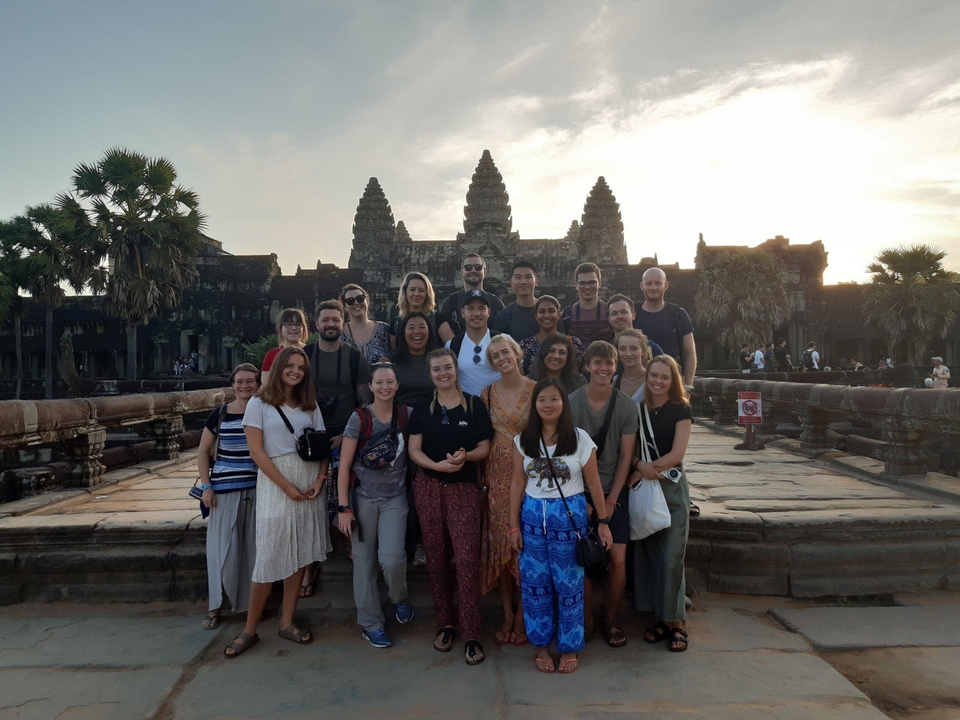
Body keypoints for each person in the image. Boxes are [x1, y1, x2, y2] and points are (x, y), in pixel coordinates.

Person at [225, 347, 331, 657]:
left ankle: (286, 622)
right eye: (291, 365)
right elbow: (256, 451)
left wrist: (320, 480)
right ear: (280, 367)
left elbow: (323, 446)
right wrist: (285, 485)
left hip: (309, 480)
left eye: (301, 367)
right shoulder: (258, 403)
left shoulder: (309, 404)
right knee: (269, 555)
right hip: (276, 480)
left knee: (299, 553)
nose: (296, 371)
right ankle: (249, 628)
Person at [509, 378, 613, 674]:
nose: (548, 404)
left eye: (554, 399)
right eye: (542, 400)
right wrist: (512, 526)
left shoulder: (579, 439)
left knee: (569, 586)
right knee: (535, 586)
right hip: (531, 521)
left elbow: (593, 482)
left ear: (563, 404)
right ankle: (541, 644)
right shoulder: (523, 440)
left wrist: (603, 522)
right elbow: (518, 482)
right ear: (535, 405)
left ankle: (569, 647)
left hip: (569, 522)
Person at [408, 349, 493, 666]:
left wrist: (464, 457)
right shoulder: (422, 409)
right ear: (429, 374)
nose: (442, 373)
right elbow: (414, 449)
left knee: (468, 559)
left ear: (456, 370)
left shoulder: (474, 404)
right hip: (429, 487)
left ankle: (472, 632)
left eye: (447, 367)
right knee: (436, 556)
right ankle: (445, 623)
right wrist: (435, 466)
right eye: (436, 369)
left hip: (464, 489)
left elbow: (484, 446)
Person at [335, 362, 415, 648]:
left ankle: (398, 597)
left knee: (392, 559)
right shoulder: (359, 418)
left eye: (389, 382)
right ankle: (371, 623)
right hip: (362, 499)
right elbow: (344, 466)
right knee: (364, 561)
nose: (384, 387)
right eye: (379, 382)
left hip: (395, 497)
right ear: (370, 386)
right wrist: (344, 508)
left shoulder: (407, 415)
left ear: (396, 384)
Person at [568, 341, 637, 648]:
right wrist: (582, 498)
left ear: (615, 366)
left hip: (613, 489)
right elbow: (566, 455)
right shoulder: (571, 403)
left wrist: (609, 501)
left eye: (608, 363)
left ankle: (611, 618)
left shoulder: (625, 405)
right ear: (587, 365)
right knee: (579, 558)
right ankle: (586, 620)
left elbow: (626, 457)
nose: (603, 368)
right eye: (597, 363)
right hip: (578, 491)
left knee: (618, 559)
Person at [302, 300, 371, 596]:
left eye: (335, 320)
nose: (330, 324)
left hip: (347, 434)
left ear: (341, 323)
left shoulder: (355, 359)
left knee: (350, 494)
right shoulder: (304, 357)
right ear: (316, 324)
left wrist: (346, 434)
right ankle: (309, 562)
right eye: (325, 320)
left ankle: (352, 549)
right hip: (310, 435)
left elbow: (365, 402)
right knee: (308, 499)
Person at [629, 355, 693, 653]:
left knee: (672, 557)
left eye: (664, 377)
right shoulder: (636, 409)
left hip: (671, 488)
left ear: (673, 380)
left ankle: (677, 622)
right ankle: (661, 617)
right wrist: (638, 465)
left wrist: (646, 467)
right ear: (647, 377)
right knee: (651, 556)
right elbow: (625, 450)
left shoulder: (681, 409)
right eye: (653, 375)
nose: (657, 381)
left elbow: (678, 453)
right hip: (645, 488)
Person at [479, 335, 535, 646]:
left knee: (526, 545)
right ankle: (507, 613)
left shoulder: (537, 389)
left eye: (505, 352)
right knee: (502, 543)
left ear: (517, 353)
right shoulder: (486, 393)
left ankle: (527, 612)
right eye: (495, 355)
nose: (501, 357)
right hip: (496, 478)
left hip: (530, 476)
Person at [198, 363, 261, 630]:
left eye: (250, 381)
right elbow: (203, 451)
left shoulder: (264, 412)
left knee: (253, 550)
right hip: (224, 488)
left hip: (258, 488)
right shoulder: (220, 414)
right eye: (239, 381)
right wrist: (206, 487)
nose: (245, 386)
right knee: (221, 550)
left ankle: (249, 606)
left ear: (258, 385)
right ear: (232, 385)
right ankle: (215, 605)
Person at [633, 267, 697, 388]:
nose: (653, 287)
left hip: (672, 383)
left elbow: (689, 352)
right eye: (648, 284)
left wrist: (688, 385)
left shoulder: (678, 314)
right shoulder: (632, 314)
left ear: (666, 285)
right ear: (642, 286)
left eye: (658, 283)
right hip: (638, 385)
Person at [445, 289, 509, 396]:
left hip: (498, 406)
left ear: (488, 312)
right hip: (466, 407)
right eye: (470, 308)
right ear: (462, 313)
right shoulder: (452, 345)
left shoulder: (505, 340)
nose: (476, 313)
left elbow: (517, 374)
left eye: (481, 308)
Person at [520, 295, 586, 377]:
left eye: (551, 311)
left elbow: (583, 374)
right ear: (536, 316)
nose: (547, 315)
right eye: (542, 311)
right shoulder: (525, 346)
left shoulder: (574, 343)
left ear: (558, 314)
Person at [439, 254, 504, 336]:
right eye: (468, 267)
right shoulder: (450, 302)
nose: (473, 271)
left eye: (478, 267)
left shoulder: (496, 303)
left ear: (485, 272)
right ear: (461, 272)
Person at [386, 312, 440, 406]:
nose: (417, 331)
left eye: (422, 327)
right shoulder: (390, 360)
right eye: (411, 327)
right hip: (400, 415)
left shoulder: (438, 360)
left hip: (431, 414)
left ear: (429, 331)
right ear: (403, 333)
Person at [389, 272, 454, 346]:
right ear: (405, 292)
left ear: (427, 294)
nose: (416, 294)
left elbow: (453, 348)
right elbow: (393, 352)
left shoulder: (438, 320)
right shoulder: (396, 322)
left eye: (421, 290)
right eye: (412, 289)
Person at [340, 284, 391, 364]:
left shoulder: (385, 329)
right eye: (350, 301)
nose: (356, 303)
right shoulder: (339, 333)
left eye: (360, 298)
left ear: (367, 301)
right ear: (345, 307)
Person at [561, 262, 609, 346]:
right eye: (582, 283)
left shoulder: (610, 312)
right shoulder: (566, 315)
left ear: (600, 284)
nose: (587, 287)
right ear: (576, 285)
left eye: (592, 282)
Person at [493, 260, 540, 341]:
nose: (523, 282)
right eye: (518, 277)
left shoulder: (548, 312)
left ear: (536, 281)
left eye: (528, 277)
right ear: (511, 282)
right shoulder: (503, 317)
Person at [261, 308, 309, 387]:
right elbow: (266, 383)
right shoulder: (272, 354)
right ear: (280, 328)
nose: (293, 328)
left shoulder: (312, 351)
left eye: (298, 324)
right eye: (288, 324)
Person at [612, 329, 649, 402]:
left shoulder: (652, 379)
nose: (628, 354)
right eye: (622, 349)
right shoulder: (615, 381)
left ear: (643, 351)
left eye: (633, 349)